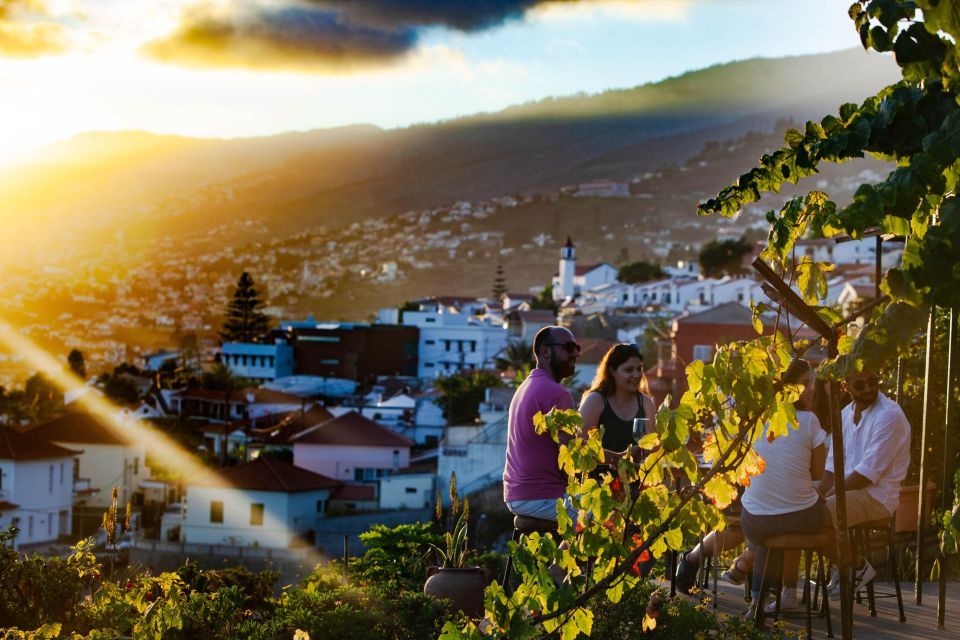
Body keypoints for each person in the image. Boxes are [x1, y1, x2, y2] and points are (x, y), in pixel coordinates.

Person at [740, 360, 829, 617]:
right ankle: (851, 573)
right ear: (787, 387)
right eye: (804, 383)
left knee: (769, 535)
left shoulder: (758, 417)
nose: (811, 389)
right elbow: (819, 473)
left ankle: (756, 604)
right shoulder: (809, 420)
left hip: (754, 522)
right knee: (830, 522)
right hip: (800, 517)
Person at [817, 368, 911, 594]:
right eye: (860, 385)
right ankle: (847, 566)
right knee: (798, 507)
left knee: (813, 516)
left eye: (873, 381)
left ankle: (855, 566)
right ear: (845, 387)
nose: (869, 388)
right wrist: (816, 496)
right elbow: (831, 468)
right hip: (849, 493)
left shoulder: (890, 415)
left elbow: (866, 475)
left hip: (876, 497)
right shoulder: (845, 415)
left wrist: (823, 500)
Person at [503, 325, 580, 521]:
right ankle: (563, 553)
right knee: (609, 520)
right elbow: (569, 460)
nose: (576, 354)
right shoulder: (558, 394)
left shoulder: (525, 386)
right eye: (569, 347)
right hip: (543, 496)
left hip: (518, 495)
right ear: (545, 352)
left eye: (577, 348)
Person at [578, 342, 657, 460]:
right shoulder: (595, 401)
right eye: (629, 370)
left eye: (639, 369)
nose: (636, 375)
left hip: (637, 478)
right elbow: (580, 447)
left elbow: (654, 448)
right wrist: (621, 457)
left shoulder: (646, 403)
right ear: (611, 371)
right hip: (600, 478)